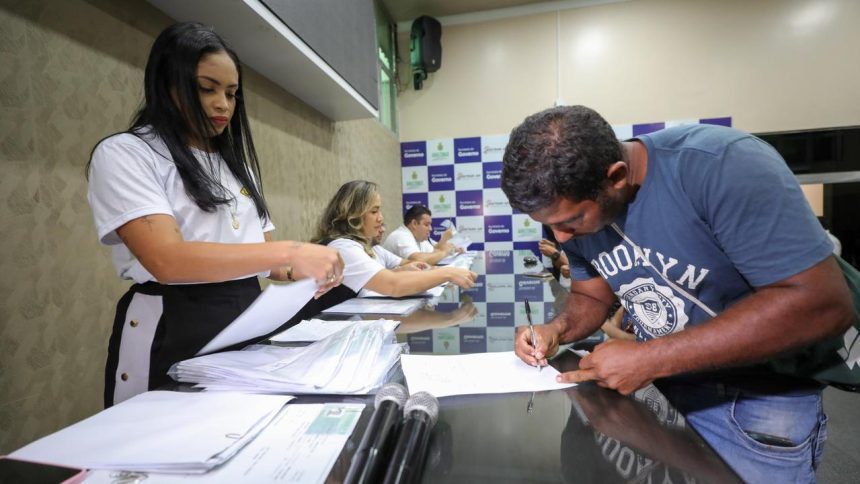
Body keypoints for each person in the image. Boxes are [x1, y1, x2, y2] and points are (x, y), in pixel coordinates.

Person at [501, 105, 854, 482]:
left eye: (570, 222)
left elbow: (820, 305)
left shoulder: (721, 166)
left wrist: (649, 359)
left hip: (756, 402)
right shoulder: (577, 213)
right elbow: (591, 295)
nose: (561, 238)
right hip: (668, 388)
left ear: (616, 177)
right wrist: (559, 329)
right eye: (551, 227)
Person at [86, 23, 344, 407]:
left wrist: (307, 270)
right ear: (166, 84)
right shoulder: (127, 153)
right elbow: (167, 260)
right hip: (171, 321)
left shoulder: (236, 165)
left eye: (232, 93)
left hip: (244, 316)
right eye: (207, 89)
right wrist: (290, 253)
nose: (223, 104)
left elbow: (264, 257)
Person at [311, 180, 477, 298]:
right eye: (374, 211)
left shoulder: (364, 247)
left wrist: (403, 270)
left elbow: (399, 270)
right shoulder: (343, 248)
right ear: (352, 215)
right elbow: (394, 285)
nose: (381, 219)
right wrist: (448, 273)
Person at [383, 205, 459, 265]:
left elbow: (433, 254)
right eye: (426, 225)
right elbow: (418, 260)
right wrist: (445, 252)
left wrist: (451, 250)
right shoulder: (401, 236)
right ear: (414, 224)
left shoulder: (419, 238)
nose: (430, 229)